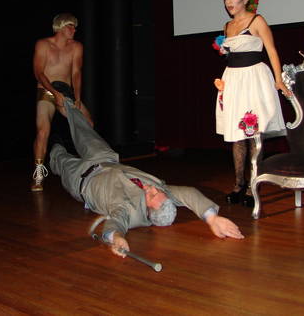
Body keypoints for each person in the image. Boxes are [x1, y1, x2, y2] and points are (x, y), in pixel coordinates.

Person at [50, 99, 244, 258]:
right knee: (84, 129)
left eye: (151, 195)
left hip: (81, 179)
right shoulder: (162, 194)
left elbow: (114, 225)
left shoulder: (129, 211)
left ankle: (53, 143)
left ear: (149, 211)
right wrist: (212, 218)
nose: (152, 188)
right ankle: (64, 98)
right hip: (104, 158)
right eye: (156, 191)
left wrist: (116, 238)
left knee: (58, 157)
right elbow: (189, 194)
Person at [214, 0, 290, 206]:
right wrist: (223, 50)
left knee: (254, 133)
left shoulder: (257, 21)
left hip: (254, 79)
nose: (228, 2)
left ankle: (253, 187)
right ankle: (239, 184)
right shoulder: (227, 26)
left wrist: (279, 80)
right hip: (233, 80)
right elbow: (230, 54)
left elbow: (271, 50)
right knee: (236, 134)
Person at [32, 13, 93, 192]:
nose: (74, 30)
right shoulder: (43, 44)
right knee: (43, 130)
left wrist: (78, 97)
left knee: (88, 124)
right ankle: (38, 173)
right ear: (60, 26)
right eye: (70, 26)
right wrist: (53, 92)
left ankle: (89, 168)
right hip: (46, 90)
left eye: (75, 27)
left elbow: (76, 73)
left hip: (66, 92)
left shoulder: (76, 47)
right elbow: (38, 73)